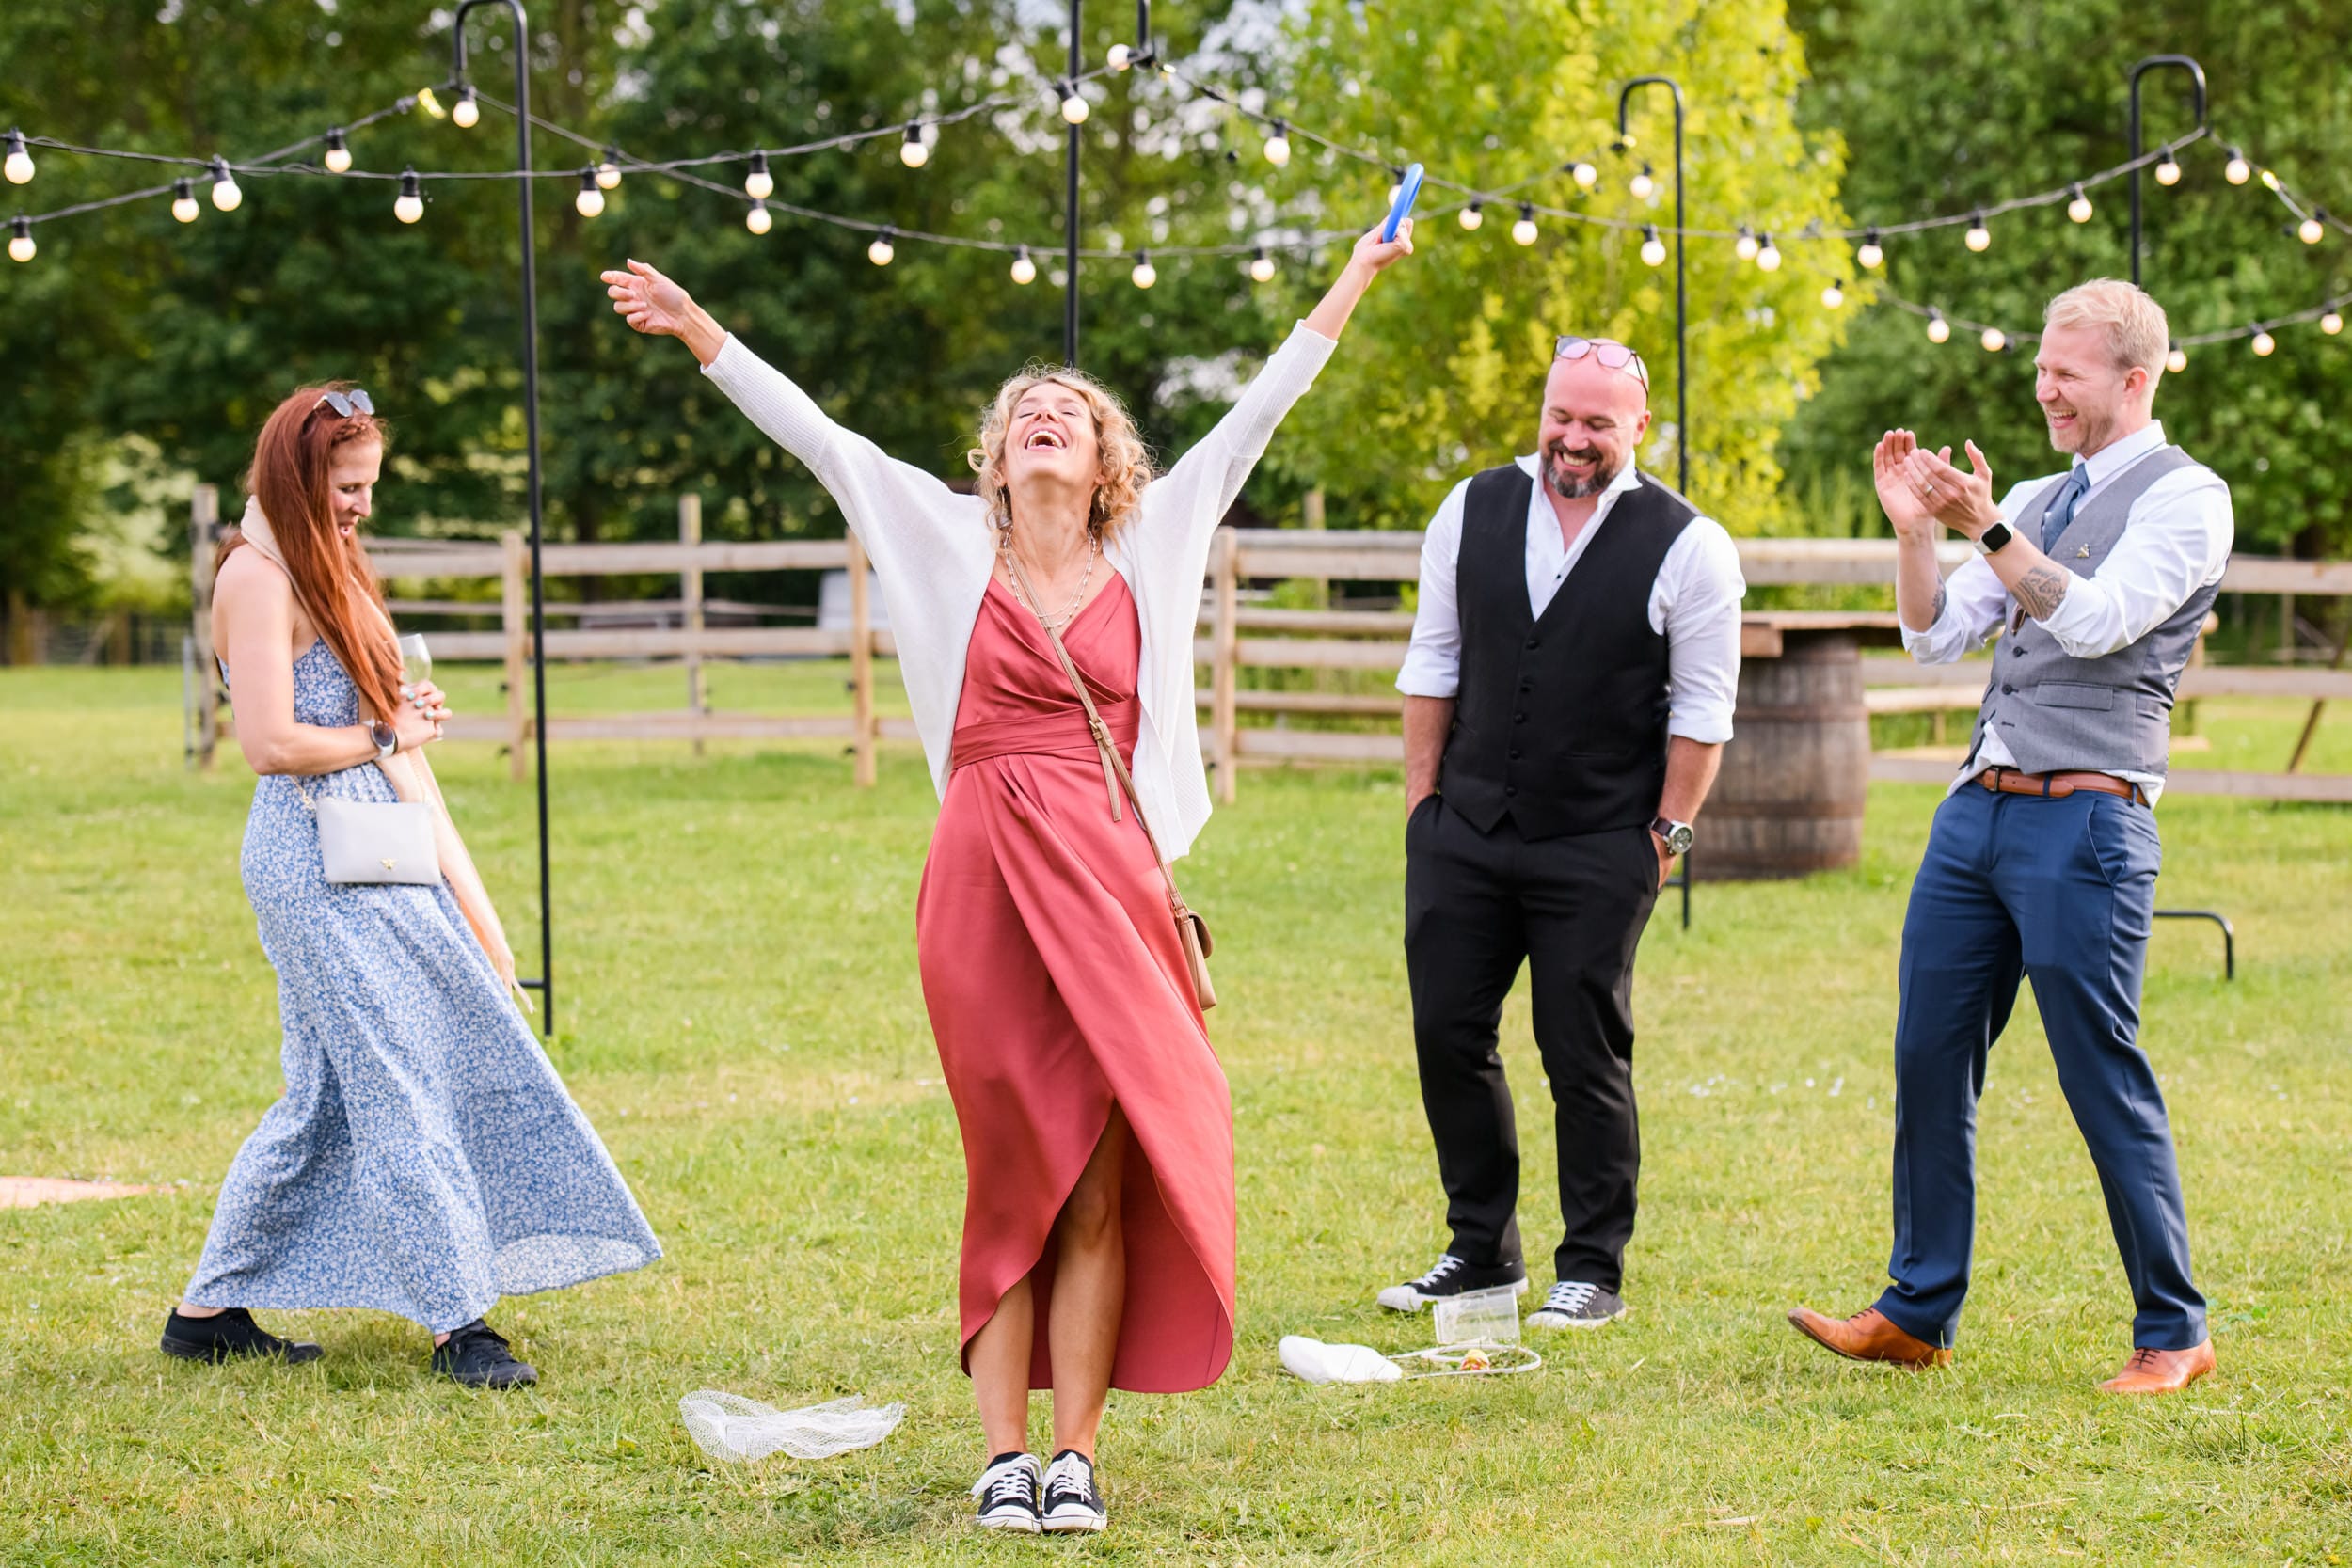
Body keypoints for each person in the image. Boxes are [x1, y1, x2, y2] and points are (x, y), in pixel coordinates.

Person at [603, 225, 1410, 1533]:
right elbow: (819, 439)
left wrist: (1357, 276)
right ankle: (1001, 1452)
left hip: (1113, 884)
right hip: (982, 883)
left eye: (1067, 415)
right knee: (1009, 1163)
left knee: (1099, 1170)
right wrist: (703, 331)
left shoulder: (1154, 546)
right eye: (1022, 414)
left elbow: (1264, 405)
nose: (1042, 419)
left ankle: (1076, 1452)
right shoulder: (936, 535)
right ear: (996, 458)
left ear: (1103, 466)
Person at [165, 384, 661, 1387]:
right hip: (313, 857)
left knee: (320, 1095)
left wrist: (399, 717)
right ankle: (458, 1322)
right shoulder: (257, 579)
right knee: (397, 1075)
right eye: (348, 486)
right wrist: (385, 731)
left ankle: (206, 1308)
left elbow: (364, 720)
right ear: (297, 473)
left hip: (374, 841)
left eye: (368, 488)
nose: (361, 507)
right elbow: (266, 742)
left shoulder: (327, 561)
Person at [1788, 278, 2231, 1395]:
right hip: (1975, 812)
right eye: (2039, 366)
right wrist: (1913, 536)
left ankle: (2174, 1328)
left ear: (2134, 380)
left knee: (2098, 1072)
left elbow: (2089, 621)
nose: (2044, 387)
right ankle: (1915, 1310)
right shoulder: (2036, 490)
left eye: (2065, 372)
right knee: (1927, 1056)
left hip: (2089, 820)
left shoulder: (2190, 500)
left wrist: (1980, 524)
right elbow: (1934, 642)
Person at [1381, 336, 1745, 1332]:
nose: (1573, 437)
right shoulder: (1470, 507)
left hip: (1599, 838)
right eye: (1560, 415)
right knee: (1447, 1033)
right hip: (1464, 825)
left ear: (1637, 428)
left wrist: (1663, 837)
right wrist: (1424, 808)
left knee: (1580, 1048)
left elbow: (1703, 711)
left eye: (1597, 421)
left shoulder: (1689, 542)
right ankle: (1478, 1250)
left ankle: (1591, 1265)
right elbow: (1434, 658)